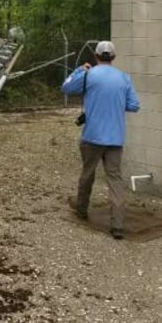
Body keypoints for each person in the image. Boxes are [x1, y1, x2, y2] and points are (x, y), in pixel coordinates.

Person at [61, 40, 140, 240]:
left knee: (88, 174)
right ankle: (118, 226)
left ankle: (81, 210)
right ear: (113, 57)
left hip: (92, 136)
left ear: (96, 57)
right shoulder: (124, 78)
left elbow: (66, 87)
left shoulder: (88, 75)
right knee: (115, 179)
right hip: (115, 138)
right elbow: (134, 106)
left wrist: (80, 70)